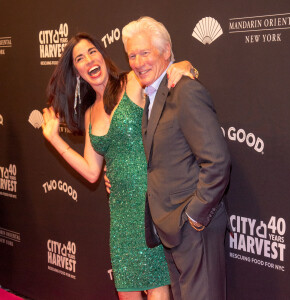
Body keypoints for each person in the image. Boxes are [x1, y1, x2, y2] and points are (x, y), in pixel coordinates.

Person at [42, 32, 196, 300]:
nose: (89, 59)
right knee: (126, 294)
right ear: (77, 71)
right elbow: (92, 171)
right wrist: (54, 139)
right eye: (80, 58)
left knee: (159, 290)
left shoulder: (132, 81)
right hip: (121, 216)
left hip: (151, 208)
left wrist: (184, 66)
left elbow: (164, 71)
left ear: (102, 55)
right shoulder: (90, 112)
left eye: (92, 51)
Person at [121, 17, 231, 300]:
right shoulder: (153, 94)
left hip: (193, 228)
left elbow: (216, 162)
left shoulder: (186, 91)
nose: (138, 62)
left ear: (166, 51)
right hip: (171, 229)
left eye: (145, 53)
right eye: (132, 55)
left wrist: (194, 218)